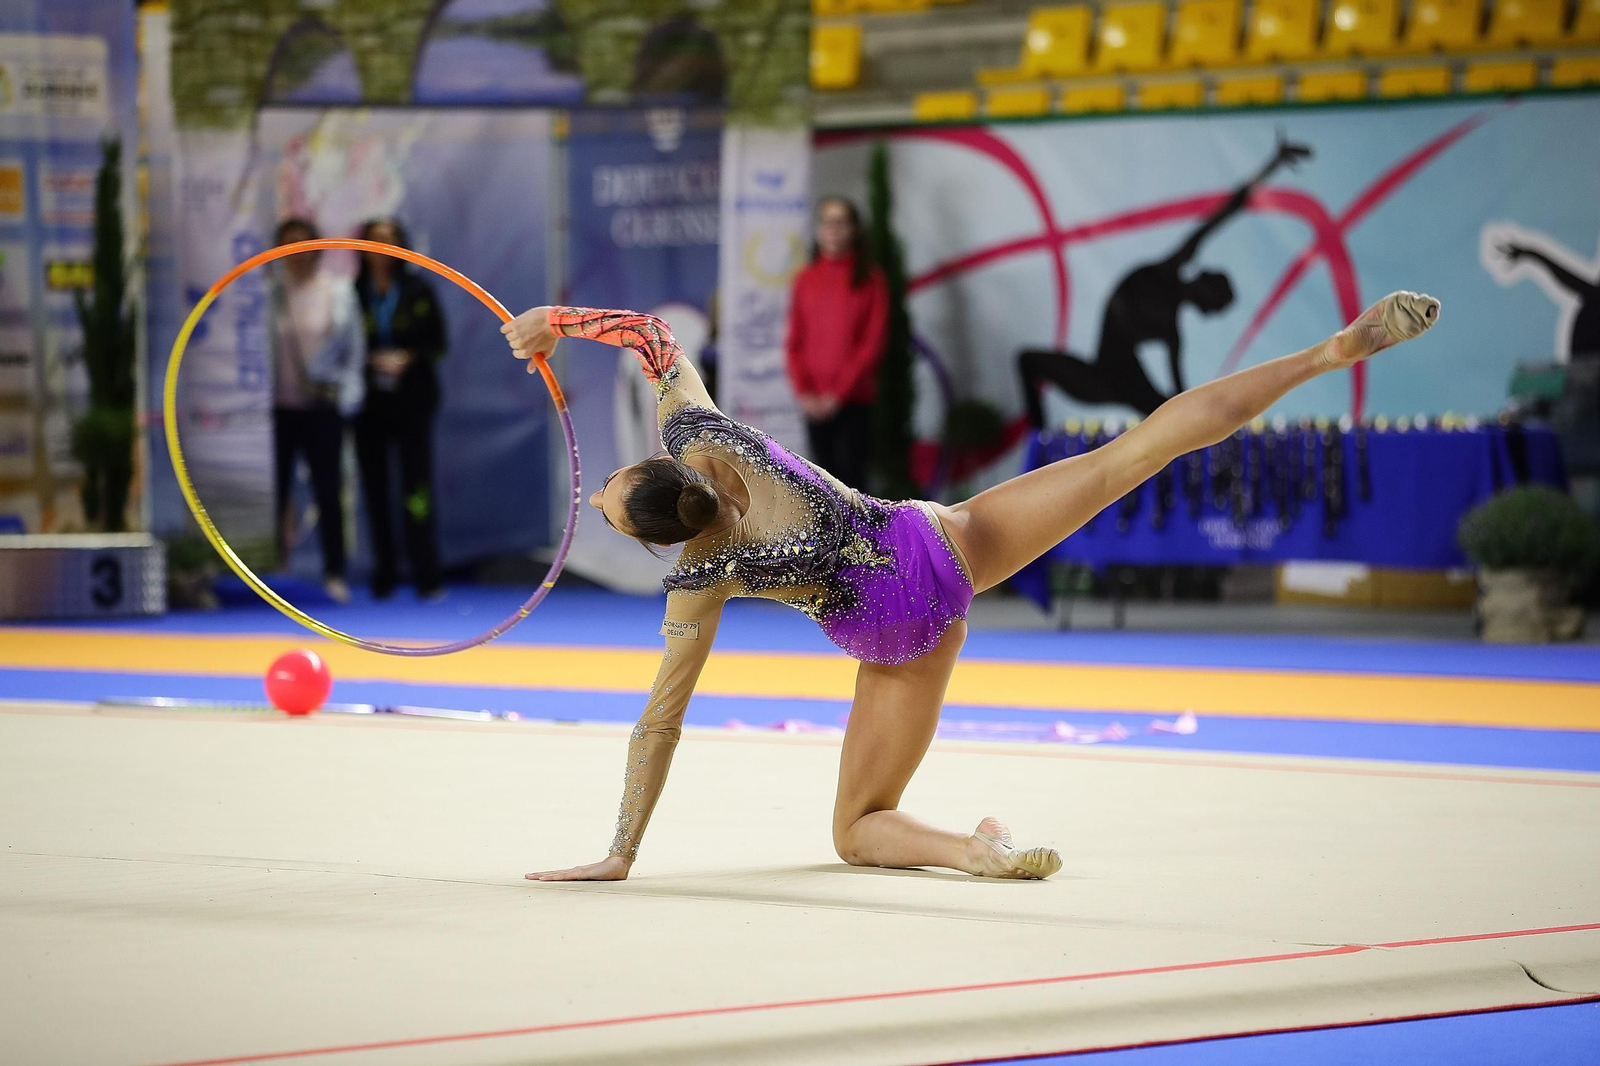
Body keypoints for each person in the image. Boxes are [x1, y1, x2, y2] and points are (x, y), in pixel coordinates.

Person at [501, 290, 1440, 883]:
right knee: (1132, 453)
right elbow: (655, 336)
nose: (606, 502)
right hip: (942, 543)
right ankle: (1326, 355)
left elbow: (659, 721)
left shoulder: (699, 582)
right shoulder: (702, 429)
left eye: (610, 511)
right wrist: (561, 322)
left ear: (663, 539)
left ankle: (969, 851)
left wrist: (622, 851)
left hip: (904, 634)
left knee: (857, 830)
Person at [1018, 136, 1313, 423]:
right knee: (1028, 362)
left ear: (1205, 300)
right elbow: (1224, 214)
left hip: (1116, 380)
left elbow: (1179, 400)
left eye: (1209, 283)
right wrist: (1271, 165)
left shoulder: (1171, 328)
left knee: (1170, 417)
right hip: (1100, 377)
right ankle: (1038, 448)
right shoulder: (1170, 273)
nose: (1203, 274)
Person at [269, 217, 365, 604]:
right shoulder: (268, 293)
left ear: (315, 248)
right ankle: (273, 572)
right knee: (274, 491)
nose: (295, 253)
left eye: (301, 244)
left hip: (323, 405)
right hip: (277, 409)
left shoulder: (337, 293)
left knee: (328, 490)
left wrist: (347, 399)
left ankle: (334, 572)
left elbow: (353, 351)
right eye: (286, 244)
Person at [352, 217, 447, 600]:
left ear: (400, 245)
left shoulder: (418, 289)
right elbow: (340, 345)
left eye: (390, 240)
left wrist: (408, 357)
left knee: (417, 490)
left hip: (412, 402)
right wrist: (367, 360)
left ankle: (426, 574)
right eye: (375, 240)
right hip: (367, 404)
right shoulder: (353, 292)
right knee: (375, 490)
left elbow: (439, 343)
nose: (383, 247)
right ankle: (384, 573)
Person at [786, 196, 889, 490]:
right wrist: (804, 392)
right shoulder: (805, 279)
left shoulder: (870, 279)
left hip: (853, 399)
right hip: (813, 401)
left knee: (853, 483)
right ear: (818, 230)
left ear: (854, 229)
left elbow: (872, 343)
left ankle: (861, 538)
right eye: (826, 221)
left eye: (840, 221)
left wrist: (837, 395)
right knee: (821, 485)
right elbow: (795, 342)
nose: (832, 228)